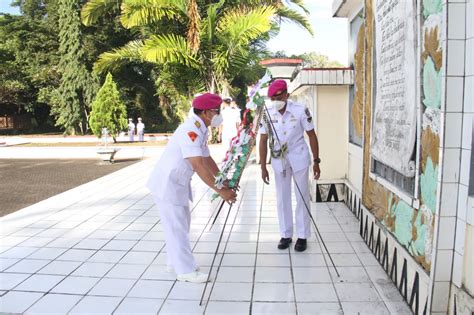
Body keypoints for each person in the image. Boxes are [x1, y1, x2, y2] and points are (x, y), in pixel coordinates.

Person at [147, 93, 237, 283]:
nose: (218, 115)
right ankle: (185, 270)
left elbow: (206, 158)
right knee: (177, 227)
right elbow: (198, 164)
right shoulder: (191, 130)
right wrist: (221, 191)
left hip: (176, 183)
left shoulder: (200, 128)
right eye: (216, 111)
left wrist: (223, 180)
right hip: (168, 185)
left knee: (180, 225)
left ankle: (174, 262)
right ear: (205, 113)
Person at [258, 80, 321, 252]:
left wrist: (316, 161)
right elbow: (263, 140)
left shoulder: (301, 110)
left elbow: (312, 135)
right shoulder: (267, 113)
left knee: (302, 197)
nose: (275, 101)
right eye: (272, 98)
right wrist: (263, 166)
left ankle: (302, 236)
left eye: (278, 97)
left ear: (286, 94)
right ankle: (285, 234)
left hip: (299, 158)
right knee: (282, 198)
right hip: (280, 161)